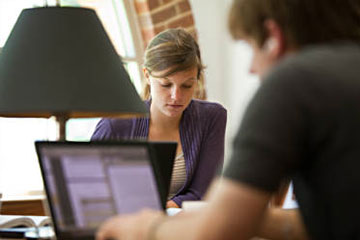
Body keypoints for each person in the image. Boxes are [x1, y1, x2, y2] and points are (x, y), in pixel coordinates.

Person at [96, 0, 360, 239]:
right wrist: (245, 216)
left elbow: (219, 230)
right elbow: (327, 223)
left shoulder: (293, 83)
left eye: (251, 48)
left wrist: (148, 228)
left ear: (273, 38)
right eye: (165, 84)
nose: (252, 68)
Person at [91, 28, 227, 209]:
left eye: (187, 85)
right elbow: (89, 192)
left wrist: (161, 214)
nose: (176, 96)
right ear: (147, 75)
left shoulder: (211, 118)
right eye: (166, 84)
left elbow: (204, 192)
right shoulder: (114, 126)